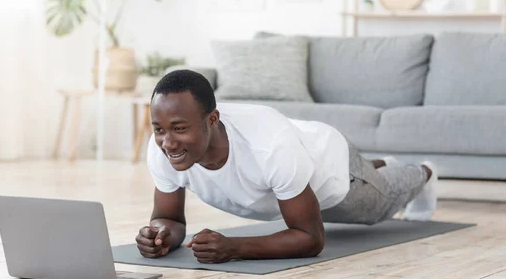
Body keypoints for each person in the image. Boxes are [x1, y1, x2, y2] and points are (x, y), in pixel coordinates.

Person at [135, 70, 438, 264]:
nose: (168, 143)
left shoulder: (269, 145)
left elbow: (311, 237)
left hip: (332, 169)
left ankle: (421, 172)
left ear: (212, 120)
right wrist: (158, 236)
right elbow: (167, 218)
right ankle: (378, 166)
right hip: (293, 169)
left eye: (179, 128)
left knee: (378, 206)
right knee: (301, 177)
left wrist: (234, 248)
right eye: (159, 129)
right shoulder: (163, 149)